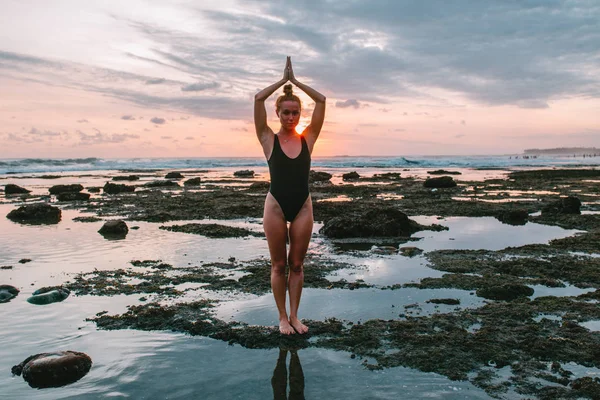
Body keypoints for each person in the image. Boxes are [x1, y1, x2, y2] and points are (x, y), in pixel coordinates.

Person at [254, 56, 326, 335]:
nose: (291, 117)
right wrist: (281, 82)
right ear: (278, 114)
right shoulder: (267, 138)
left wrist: (296, 82)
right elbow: (258, 99)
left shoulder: (308, 138)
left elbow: (321, 101)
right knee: (278, 265)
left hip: (303, 206)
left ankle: (296, 316)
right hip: (275, 206)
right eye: (285, 112)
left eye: (295, 112)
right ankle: (282, 318)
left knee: (297, 265)